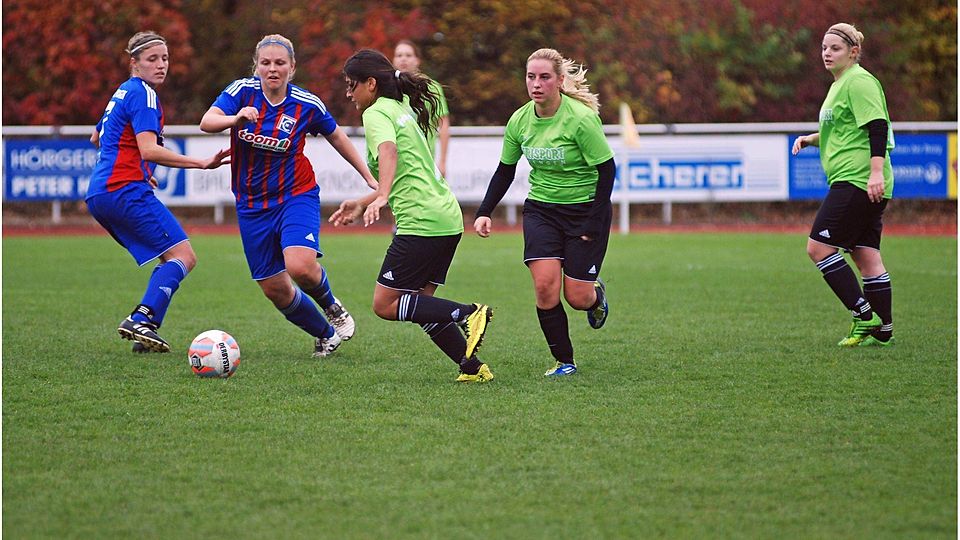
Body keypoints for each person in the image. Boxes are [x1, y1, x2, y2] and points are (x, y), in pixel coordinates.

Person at [199, 34, 378, 357]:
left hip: (295, 195)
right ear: (256, 67)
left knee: (300, 266)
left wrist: (367, 176)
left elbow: (336, 136)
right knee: (275, 289)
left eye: (279, 63)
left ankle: (331, 305)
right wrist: (235, 118)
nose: (272, 69)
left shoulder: (306, 104)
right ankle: (326, 335)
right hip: (251, 205)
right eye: (265, 63)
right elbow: (207, 122)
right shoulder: (241, 93)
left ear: (292, 68)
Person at [330, 49, 494, 383]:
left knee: (385, 304)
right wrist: (366, 200)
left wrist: (384, 195)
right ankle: (472, 368)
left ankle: (469, 313)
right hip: (445, 218)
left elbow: (388, 153)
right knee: (421, 304)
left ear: (371, 84)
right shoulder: (399, 107)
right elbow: (405, 168)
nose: (349, 93)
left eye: (352, 85)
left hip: (422, 222)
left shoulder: (376, 113)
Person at [86, 31, 230, 353]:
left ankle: (146, 332)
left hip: (101, 193)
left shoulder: (122, 92)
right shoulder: (144, 94)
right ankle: (141, 318)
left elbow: (97, 137)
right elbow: (149, 150)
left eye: (165, 58)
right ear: (134, 63)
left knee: (169, 257)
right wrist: (200, 163)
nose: (161, 65)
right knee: (183, 256)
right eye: (152, 59)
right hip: (123, 189)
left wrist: (135, 167)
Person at [473, 48, 614, 377]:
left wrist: (594, 220)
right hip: (542, 211)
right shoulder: (520, 120)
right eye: (530, 76)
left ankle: (595, 297)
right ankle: (565, 361)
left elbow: (607, 170)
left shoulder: (580, 119)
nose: (536, 84)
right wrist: (484, 211)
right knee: (545, 287)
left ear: (559, 80)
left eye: (544, 77)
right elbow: (505, 170)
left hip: (585, 210)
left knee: (577, 297)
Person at [792, 23, 895, 347]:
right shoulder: (840, 84)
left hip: (858, 179)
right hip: (855, 179)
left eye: (834, 48)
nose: (826, 53)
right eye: (824, 47)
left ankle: (864, 317)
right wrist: (812, 139)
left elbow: (877, 127)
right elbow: (844, 128)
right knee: (866, 257)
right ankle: (883, 333)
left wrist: (875, 173)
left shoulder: (859, 81)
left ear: (853, 52)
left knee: (818, 248)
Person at [392, 40, 450, 178]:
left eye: (408, 55)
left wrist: (442, 161)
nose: (403, 59)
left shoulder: (432, 88)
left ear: (417, 60)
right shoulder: (389, 90)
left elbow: (443, 125)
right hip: (397, 161)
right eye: (399, 55)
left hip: (425, 160)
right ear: (393, 60)